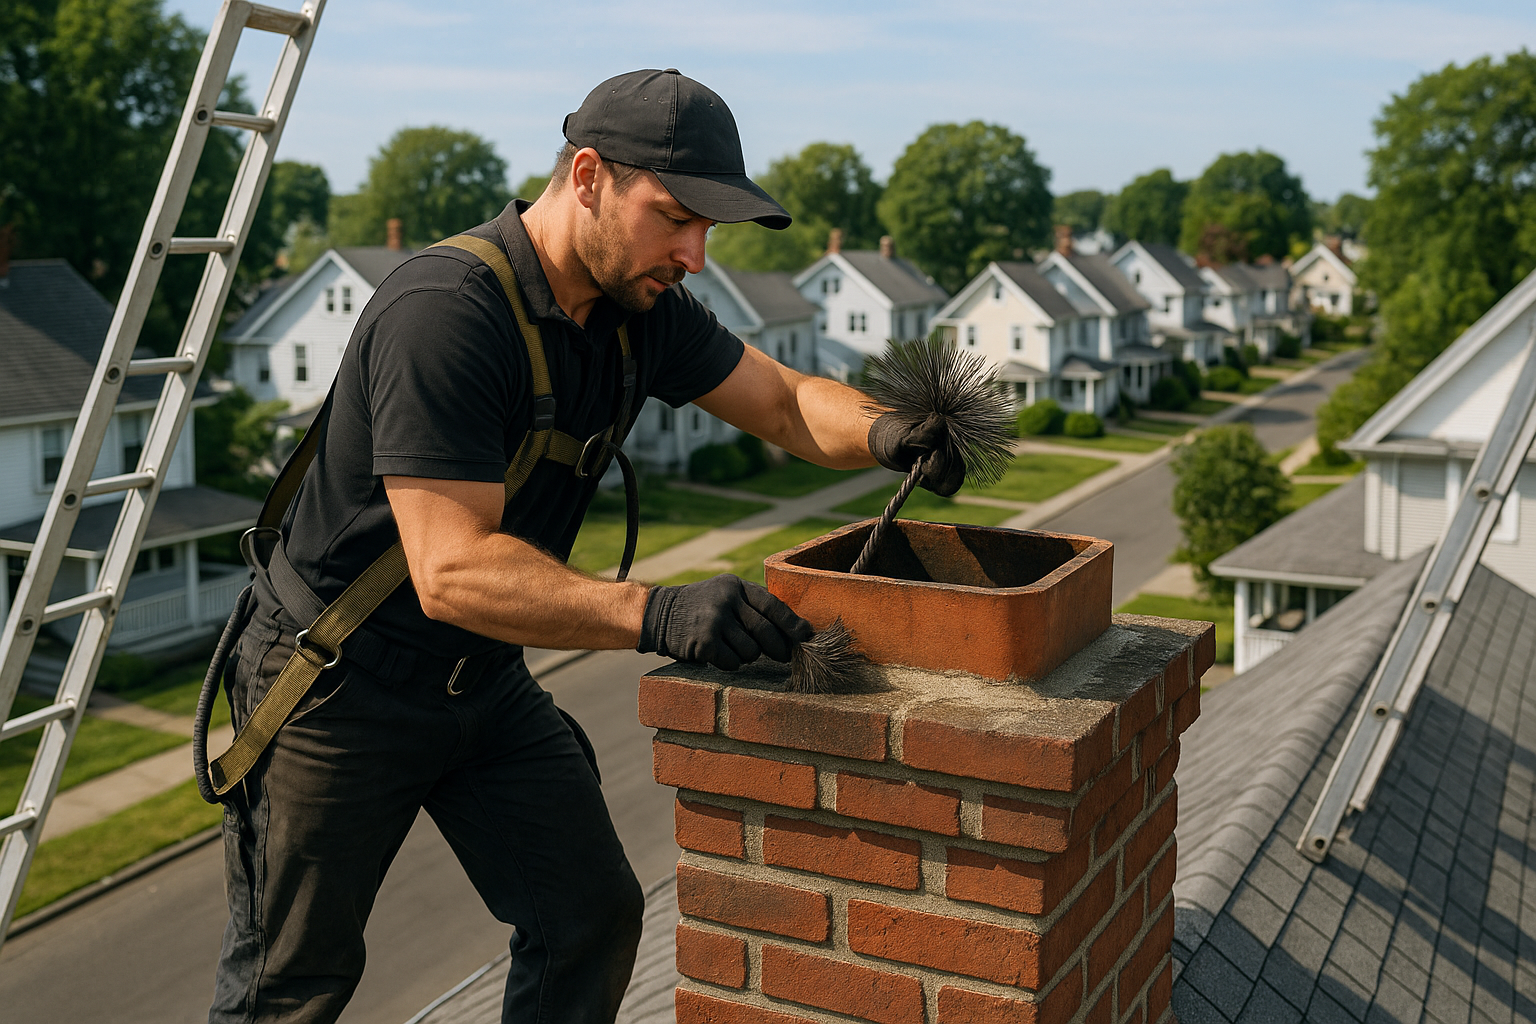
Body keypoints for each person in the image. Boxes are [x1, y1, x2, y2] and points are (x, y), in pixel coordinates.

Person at [207, 69, 962, 1024]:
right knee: (292, 990)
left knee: (590, 919)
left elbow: (780, 400)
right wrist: (663, 611)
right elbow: (452, 570)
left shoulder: (636, 312)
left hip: (477, 682)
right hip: (338, 688)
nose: (693, 253)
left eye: (709, 231)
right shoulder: (446, 312)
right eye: (676, 216)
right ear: (591, 175)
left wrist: (889, 430)